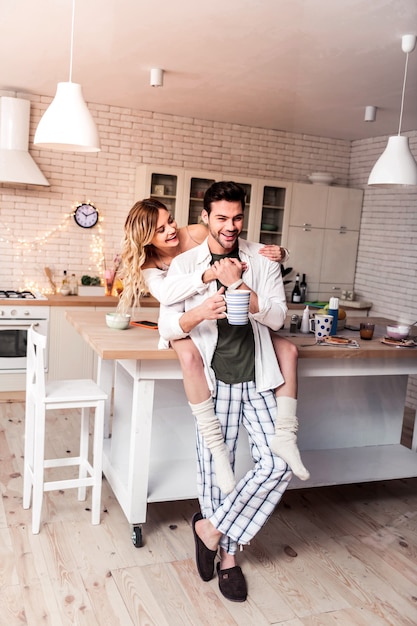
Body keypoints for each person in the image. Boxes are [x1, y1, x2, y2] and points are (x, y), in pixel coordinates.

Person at [158, 180, 299, 601]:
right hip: (213, 382)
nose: (230, 225)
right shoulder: (185, 264)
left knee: (277, 463)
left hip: (258, 378)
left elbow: (278, 319)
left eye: (237, 217)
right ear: (205, 218)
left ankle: (211, 529)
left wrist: (246, 293)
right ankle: (230, 558)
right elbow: (167, 327)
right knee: (215, 475)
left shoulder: (262, 259)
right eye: (221, 218)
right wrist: (200, 310)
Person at [118, 199, 309, 493]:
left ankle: (285, 434)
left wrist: (280, 253)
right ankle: (216, 447)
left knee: (287, 349)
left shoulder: (193, 232)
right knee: (191, 357)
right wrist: (211, 274)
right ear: (146, 238)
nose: (172, 230)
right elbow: (169, 294)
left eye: (170, 220)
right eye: (161, 229)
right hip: (189, 318)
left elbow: (235, 240)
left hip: (223, 312)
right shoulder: (149, 266)